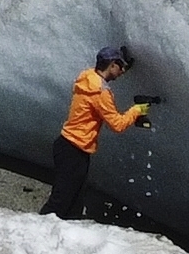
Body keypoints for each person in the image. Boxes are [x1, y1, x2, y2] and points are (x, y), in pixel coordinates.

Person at [45, 45, 151, 220]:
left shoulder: (88, 78)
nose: (122, 71)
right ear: (111, 65)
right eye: (120, 66)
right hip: (74, 151)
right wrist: (137, 110)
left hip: (67, 146)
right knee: (61, 201)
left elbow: (105, 77)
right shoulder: (101, 92)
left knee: (73, 202)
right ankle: (38, 232)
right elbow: (117, 125)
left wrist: (123, 65)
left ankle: (64, 238)